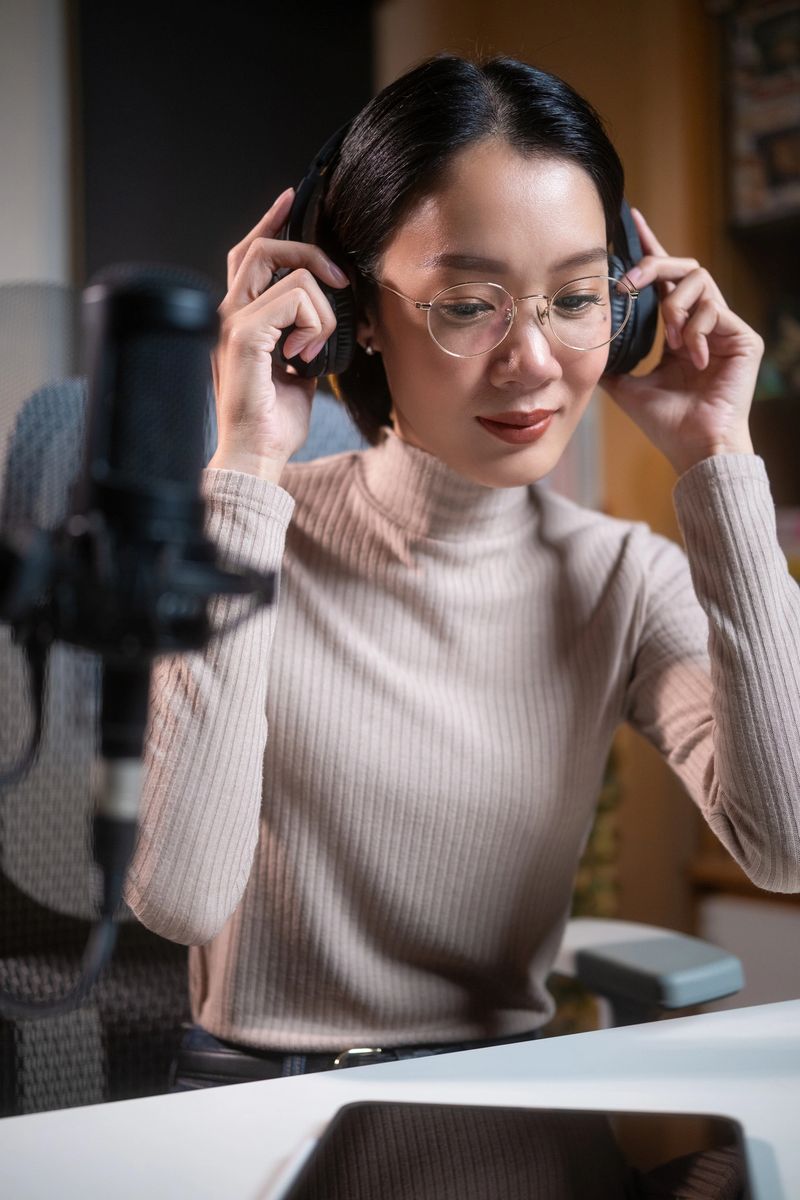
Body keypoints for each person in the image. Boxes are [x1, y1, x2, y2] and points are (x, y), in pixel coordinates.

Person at [124, 53, 800, 1090]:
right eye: (467, 303)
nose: (531, 360)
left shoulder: (621, 577)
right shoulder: (247, 532)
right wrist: (247, 467)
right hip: (251, 1095)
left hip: (507, 1099)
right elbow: (178, 896)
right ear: (355, 318)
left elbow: (786, 846)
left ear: (622, 317)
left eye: (574, 297)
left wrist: (719, 461)